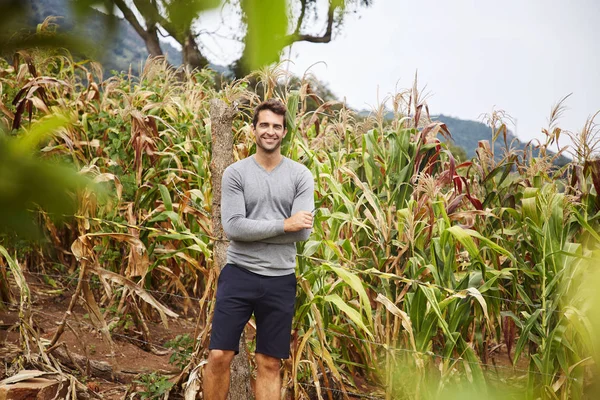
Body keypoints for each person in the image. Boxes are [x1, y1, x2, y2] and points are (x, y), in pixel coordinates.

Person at [203, 99, 315, 399]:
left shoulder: (300, 176)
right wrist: (284, 225)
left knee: (269, 363)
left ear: (285, 132)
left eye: (276, 126)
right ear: (253, 130)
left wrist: (274, 228)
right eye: (264, 125)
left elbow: (302, 232)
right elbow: (234, 228)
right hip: (239, 274)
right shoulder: (236, 174)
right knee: (219, 356)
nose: (270, 131)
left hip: (280, 279)